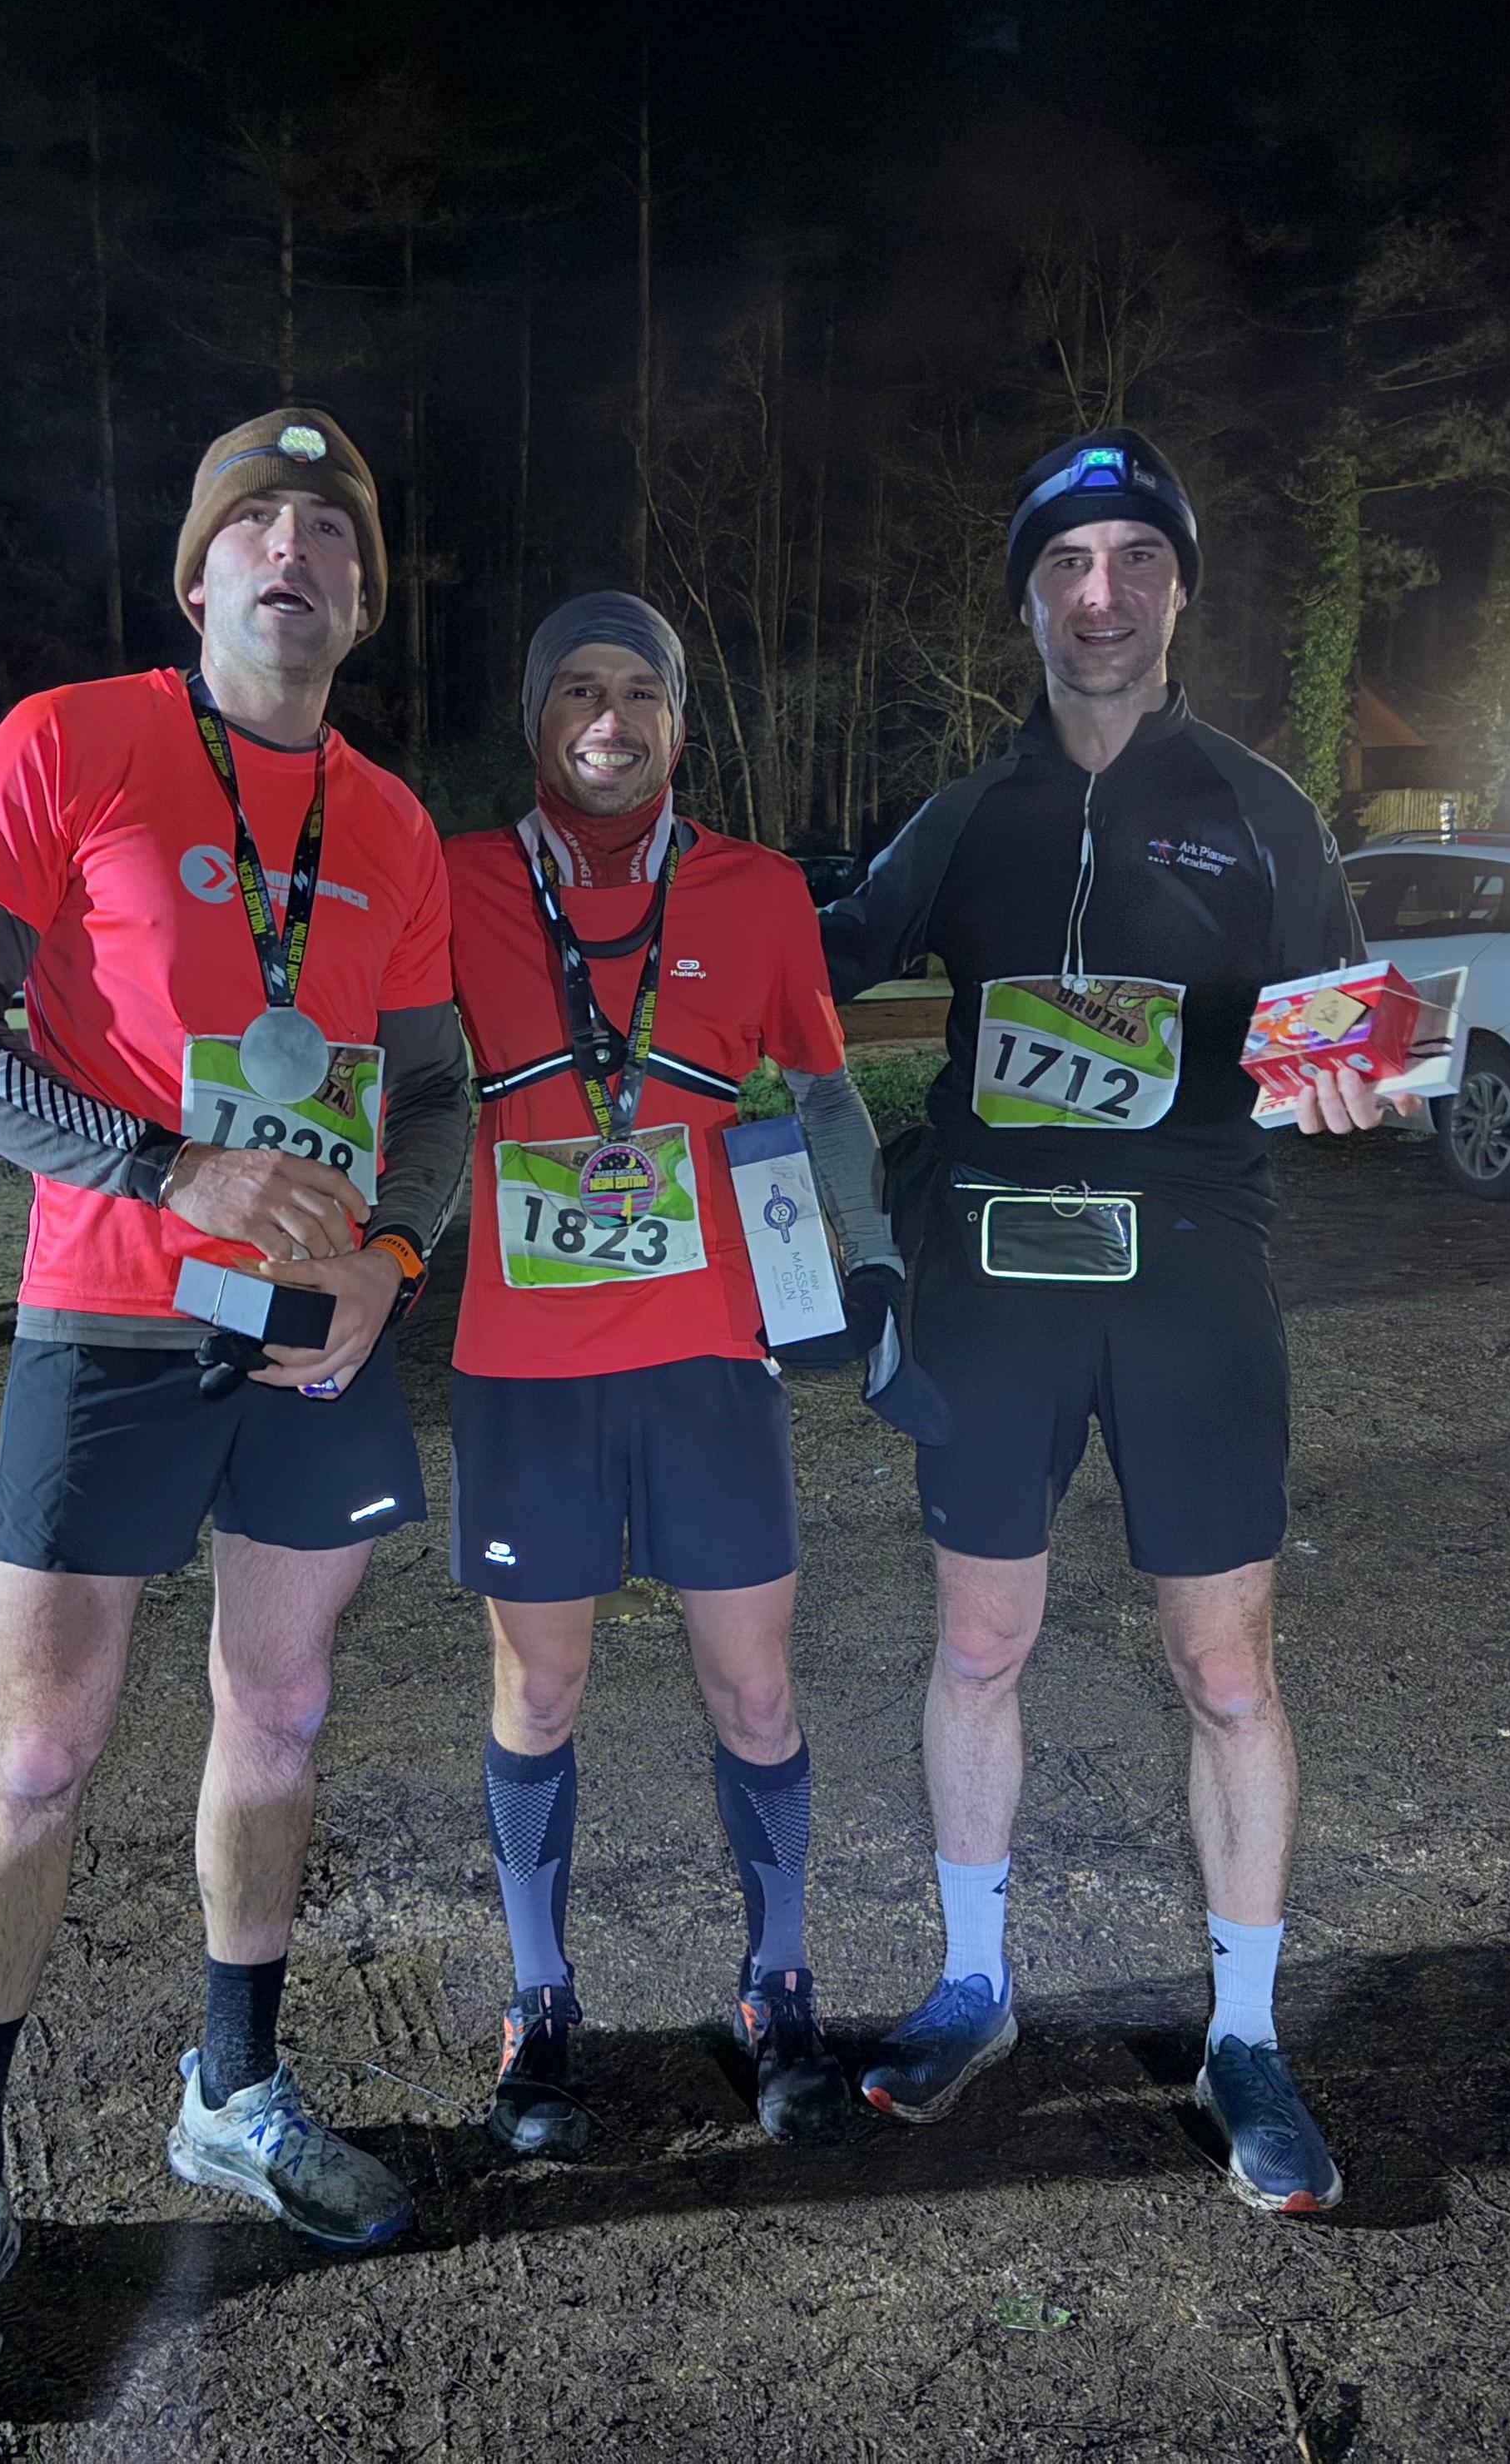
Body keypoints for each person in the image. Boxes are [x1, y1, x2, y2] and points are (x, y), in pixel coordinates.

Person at [0, 408, 472, 2398]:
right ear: (197, 577)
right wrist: (158, 1167)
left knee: (279, 1711)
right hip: (110, 1320)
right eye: (254, 525)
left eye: (329, 531)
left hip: (313, 1334)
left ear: (362, 597)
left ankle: (234, 2086)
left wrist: (389, 1261)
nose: (292, 551)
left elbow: (439, 1094)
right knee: (40, 1755)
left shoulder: (387, 822)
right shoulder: (71, 739)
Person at [818, 429, 1408, 2216]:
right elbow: (812, 954)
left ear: (1174, 598)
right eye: (1068, 564)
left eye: (1135, 562)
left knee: (1224, 1670)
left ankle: (1243, 2037)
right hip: (994, 1286)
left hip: (1190, 1295)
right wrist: (625, 920)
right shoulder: (965, 811)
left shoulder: (1255, 806)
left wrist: (1354, 1078)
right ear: (1025, 601)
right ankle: (972, 1986)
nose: (1100, 595)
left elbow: (1354, 1030)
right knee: (978, 1646)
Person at [445, 592, 914, 2156]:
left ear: (679, 719)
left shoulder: (760, 891)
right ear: (536, 718)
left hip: (715, 1357)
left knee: (756, 1685)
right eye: (576, 688)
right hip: (524, 1366)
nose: (608, 717)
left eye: (638, 690)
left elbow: (831, 1105)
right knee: (542, 1684)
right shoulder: (449, 890)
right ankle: (540, 2006)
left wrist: (876, 1267)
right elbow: (381, 1082)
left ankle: (777, 1988)